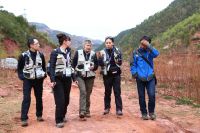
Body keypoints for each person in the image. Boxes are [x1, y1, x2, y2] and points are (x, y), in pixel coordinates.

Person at [17, 37, 46, 127]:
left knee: (39, 98)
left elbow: (43, 67)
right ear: (31, 45)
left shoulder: (41, 55)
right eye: (37, 43)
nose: (38, 45)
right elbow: (19, 68)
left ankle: (39, 115)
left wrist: (43, 75)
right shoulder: (23, 55)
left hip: (38, 80)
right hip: (28, 80)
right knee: (26, 98)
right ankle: (24, 119)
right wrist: (23, 78)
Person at [49, 33, 76, 128]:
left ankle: (63, 115)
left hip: (67, 79)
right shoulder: (55, 52)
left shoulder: (69, 51)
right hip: (58, 79)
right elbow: (51, 67)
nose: (70, 42)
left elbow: (70, 65)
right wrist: (52, 80)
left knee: (66, 100)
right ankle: (58, 120)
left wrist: (74, 78)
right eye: (69, 40)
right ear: (65, 41)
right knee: (60, 100)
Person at [130, 35, 159, 120]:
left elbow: (157, 54)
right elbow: (132, 64)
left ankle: (151, 112)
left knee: (152, 95)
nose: (143, 45)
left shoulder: (150, 52)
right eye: (142, 43)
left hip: (150, 77)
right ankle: (144, 113)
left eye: (145, 43)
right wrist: (135, 73)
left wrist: (149, 46)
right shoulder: (135, 52)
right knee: (141, 96)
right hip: (140, 78)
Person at [72, 40, 98, 121]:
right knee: (83, 91)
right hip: (80, 76)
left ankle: (87, 111)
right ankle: (82, 112)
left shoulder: (93, 54)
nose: (88, 47)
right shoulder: (78, 53)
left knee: (88, 94)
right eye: (87, 45)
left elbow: (96, 65)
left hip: (90, 76)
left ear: (91, 46)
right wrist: (74, 77)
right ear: (84, 46)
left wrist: (93, 67)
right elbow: (73, 65)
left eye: (90, 45)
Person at [98, 36, 123, 116]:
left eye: (109, 43)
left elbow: (120, 62)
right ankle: (107, 108)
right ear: (105, 44)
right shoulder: (102, 52)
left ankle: (119, 109)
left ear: (113, 43)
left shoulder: (118, 51)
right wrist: (100, 58)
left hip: (116, 74)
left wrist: (118, 60)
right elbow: (100, 64)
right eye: (106, 43)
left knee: (117, 92)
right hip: (107, 75)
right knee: (107, 92)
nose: (108, 44)